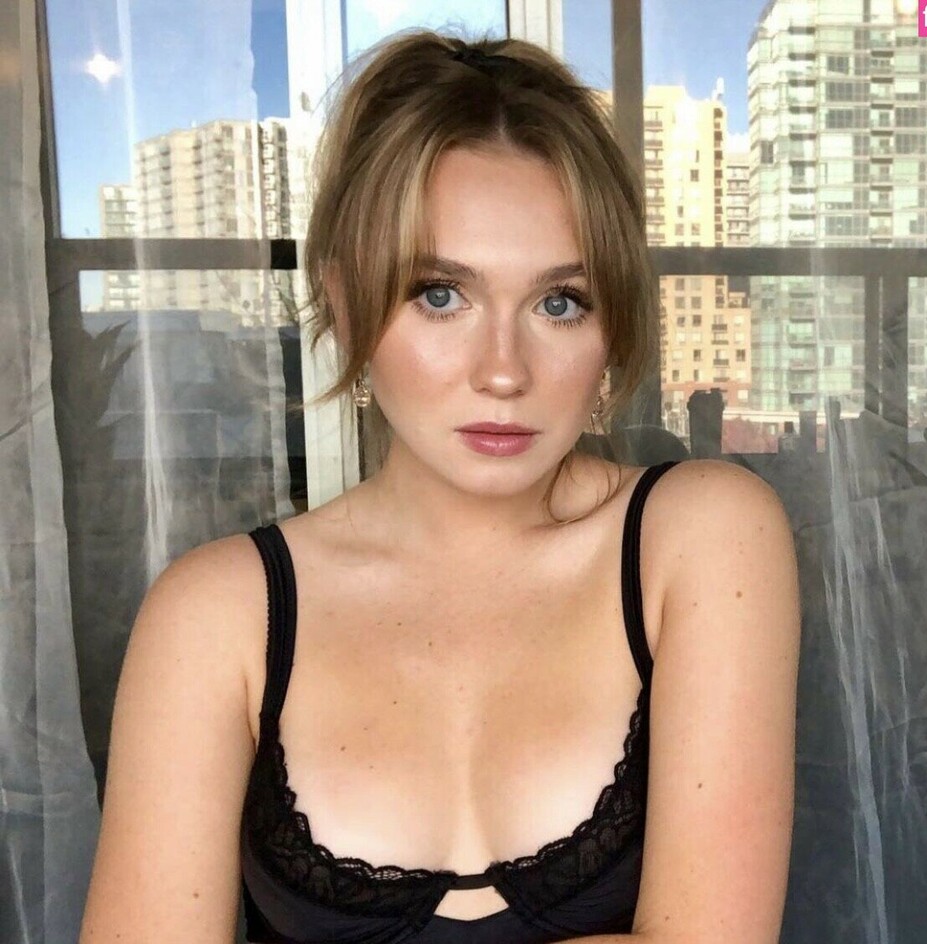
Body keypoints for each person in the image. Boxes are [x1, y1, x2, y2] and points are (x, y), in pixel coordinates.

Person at [79, 31, 800, 944]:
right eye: (440, 294)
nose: (503, 370)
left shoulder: (702, 537)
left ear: (610, 325)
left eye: (559, 302)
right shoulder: (217, 615)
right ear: (348, 305)